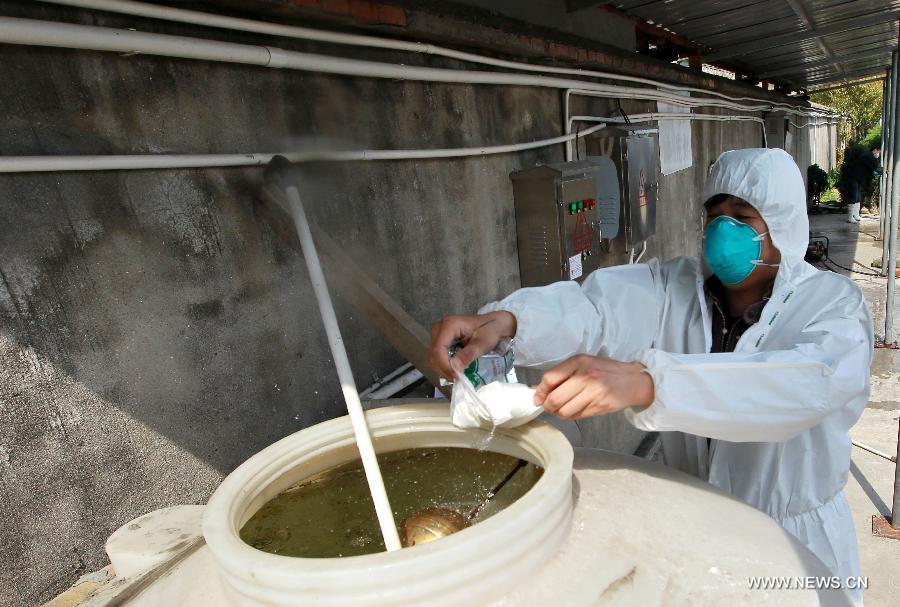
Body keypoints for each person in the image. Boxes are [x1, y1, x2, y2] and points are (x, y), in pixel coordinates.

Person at [429, 148, 872, 604]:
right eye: (714, 215)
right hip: (695, 518)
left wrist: (649, 382)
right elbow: (594, 309)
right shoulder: (674, 286)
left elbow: (804, 385)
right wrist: (509, 322)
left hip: (793, 537)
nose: (722, 230)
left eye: (742, 215)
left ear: (782, 223)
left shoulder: (833, 307)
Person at [847, 143, 882, 223]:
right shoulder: (868, 156)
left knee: (857, 196)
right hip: (854, 178)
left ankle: (856, 215)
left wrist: (879, 171)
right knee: (853, 196)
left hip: (858, 178)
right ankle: (850, 217)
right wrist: (882, 172)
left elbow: (873, 168)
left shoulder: (868, 156)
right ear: (875, 150)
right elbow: (875, 168)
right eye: (878, 152)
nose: (878, 154)